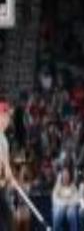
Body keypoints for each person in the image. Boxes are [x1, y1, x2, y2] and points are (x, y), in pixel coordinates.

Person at [0, 98, 13, 230]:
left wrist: (9, 178)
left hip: (1, 186)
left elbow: (6, 165)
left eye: (8, 116)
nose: (8, 119)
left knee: (7, 218)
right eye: (4, 115)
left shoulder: (4, 139)